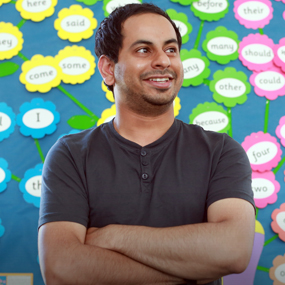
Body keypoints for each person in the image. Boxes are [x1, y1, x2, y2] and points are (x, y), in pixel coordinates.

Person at [38, 3, 255, 285]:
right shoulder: (71, 155)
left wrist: (113, 236)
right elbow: (61, 268)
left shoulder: (221, 151)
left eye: (171, 49)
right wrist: (192, 269)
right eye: (144, 50)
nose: (163, 61)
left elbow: (233, 251)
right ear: (107, 68)